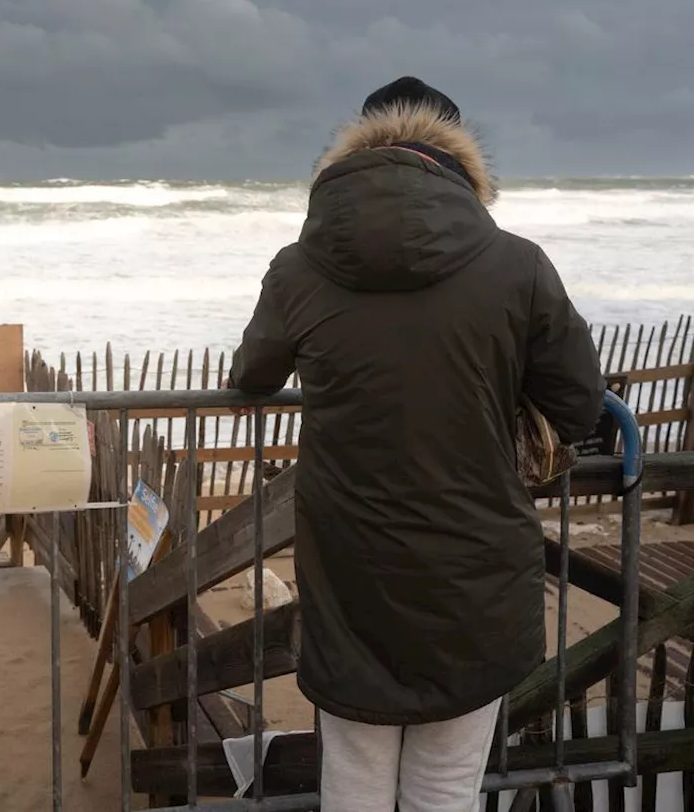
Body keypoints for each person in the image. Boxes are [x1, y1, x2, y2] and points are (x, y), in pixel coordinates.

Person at [225, 76, 605, 812]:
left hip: (349, 560)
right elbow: (578, 400)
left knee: (356, 778)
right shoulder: (518, 264)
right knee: (445, 786)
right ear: (463, 170)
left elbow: (252, 375)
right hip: (476, 558)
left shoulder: (298, 267)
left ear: (348, 162)